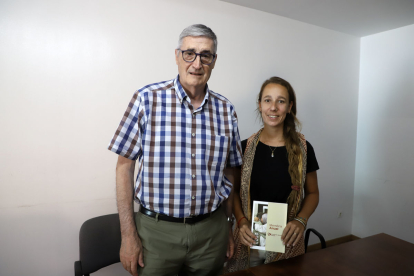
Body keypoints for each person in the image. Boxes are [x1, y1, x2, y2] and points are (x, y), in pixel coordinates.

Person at [108, 24, 242, 276]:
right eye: (189, 53)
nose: (197, 63)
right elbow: (124, 167)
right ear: (177, 56)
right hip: (155, 234)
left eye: (206, 55)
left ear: (214, 61)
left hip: (212, 233)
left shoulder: (226, 110)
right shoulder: (146, 100)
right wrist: (128, 235)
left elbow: (231, 172)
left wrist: (228, 226)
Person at [225, 76, 320, 272]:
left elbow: (312, 193)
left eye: (281, 101)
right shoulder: (243, 148)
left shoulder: (304, 149)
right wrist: (241, 222)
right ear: (260, 105)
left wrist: (301, 220)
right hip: (249, 240)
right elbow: (233, 192)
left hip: (288, 242)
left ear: (290, 106)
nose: (273, 107)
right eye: (268, 100)